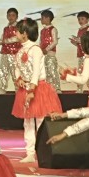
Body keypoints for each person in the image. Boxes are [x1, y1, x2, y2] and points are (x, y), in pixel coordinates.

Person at [11, 18, 59, 158]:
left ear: (24, 33)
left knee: (40, 121)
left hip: (38, 89)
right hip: (25, 88)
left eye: (17, 31)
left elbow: (36, 72)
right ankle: (30, 152)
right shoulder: (21, 50)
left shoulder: (36, 49)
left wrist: (31, 90)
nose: (15, 33)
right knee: (27, 122)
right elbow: (17, 68)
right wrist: (19, 79)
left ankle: (43, 152)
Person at [0, 7, 22, 89]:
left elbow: (16, 38)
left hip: (15, 53)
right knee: (3, 71)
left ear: (17, 17)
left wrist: (3, 42)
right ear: (7, 16)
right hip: (5, 52)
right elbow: (2, 38)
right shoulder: (6, 28)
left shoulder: (19, 27)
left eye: (13, 15)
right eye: (9, 15)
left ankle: (18, 90)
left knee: (15, 73)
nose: (11, 17)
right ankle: (2, 89)